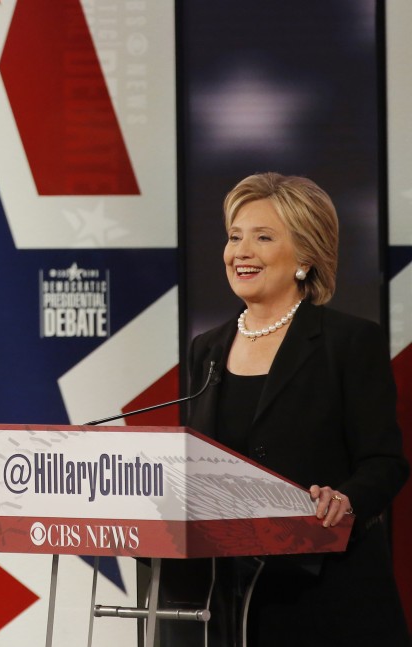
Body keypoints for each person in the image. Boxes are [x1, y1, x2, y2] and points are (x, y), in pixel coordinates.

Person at [162, 172, 410, 646]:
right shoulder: (207, 349)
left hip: (322, 594)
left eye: (263, 237)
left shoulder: (349, 342)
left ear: (305, 257)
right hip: (222, 597)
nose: (241, 252)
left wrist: (346, 498)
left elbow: (384, 462)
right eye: (235, 237)